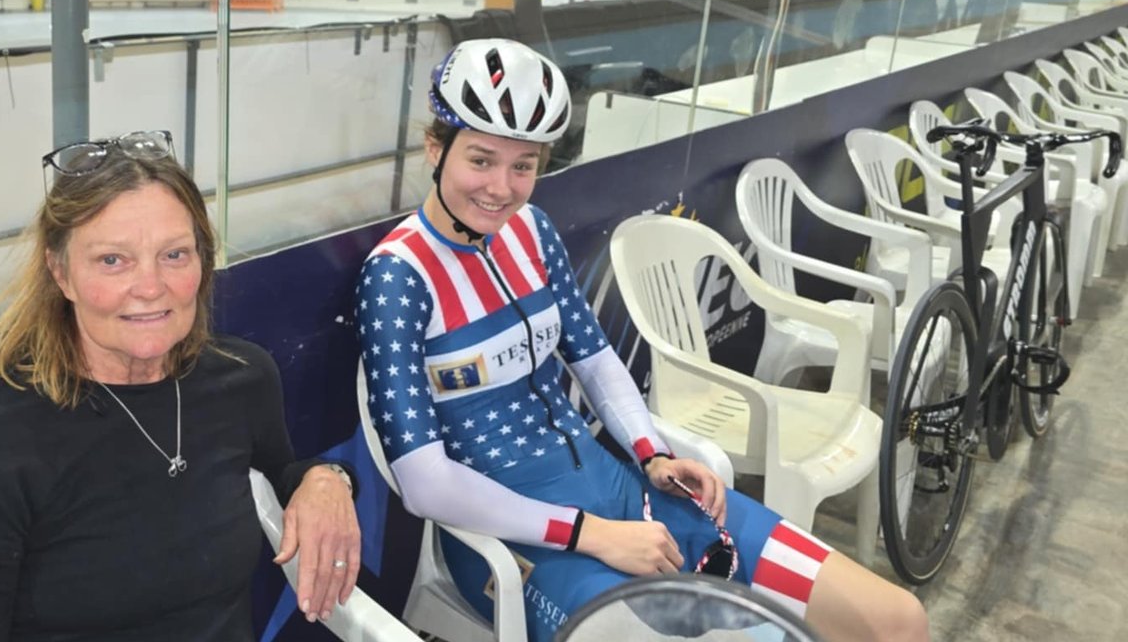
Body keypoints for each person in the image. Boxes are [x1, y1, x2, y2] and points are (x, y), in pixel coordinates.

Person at [355, 39, 928, 642]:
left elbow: (596, 360)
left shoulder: (531, 230)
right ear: (435, 149)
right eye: (481, 159)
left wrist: (652, 452)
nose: (501, 187)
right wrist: (593, 534)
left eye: (524, 165)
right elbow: (425, 484)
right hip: (514, 541)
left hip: (621, 492)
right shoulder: (397, 275)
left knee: (897, 622)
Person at [0, 130, 360, 640]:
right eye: (112, 260)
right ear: (61, 274)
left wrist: (326, 480)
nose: (149, 287)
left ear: (204, 262)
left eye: (175, 255)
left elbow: (282, 471)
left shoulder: (241, 378)